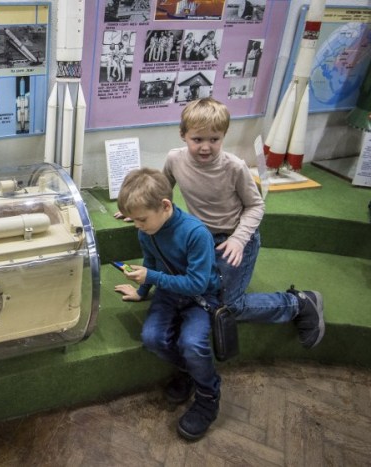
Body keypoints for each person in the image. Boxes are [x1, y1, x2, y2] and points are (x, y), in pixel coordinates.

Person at [162, 97, 325, 349]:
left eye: (214, 139)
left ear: (223, 137)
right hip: (201, 238)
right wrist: (144, 209)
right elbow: (163, 190)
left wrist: (238, 240)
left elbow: (256, 205)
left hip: (235, 238)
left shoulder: (235, 167)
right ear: (183, 135)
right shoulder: (174, 159)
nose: (206, 147)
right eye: (198, 139)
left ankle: (299, 303)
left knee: (231, 306)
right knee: (202, 293)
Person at [114, 167, 223, 441]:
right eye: (134, 221)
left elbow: (198, 284)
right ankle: (186, 370)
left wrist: (152, 277)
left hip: (200, 299)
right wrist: (142, 290)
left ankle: (208, 396)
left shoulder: (196, 233)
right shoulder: (146, 231)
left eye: (141, 220)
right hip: (167, 292)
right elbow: (150, 261)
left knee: (193, 344)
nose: (137, 226)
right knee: (151, 338)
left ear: (165, 206)